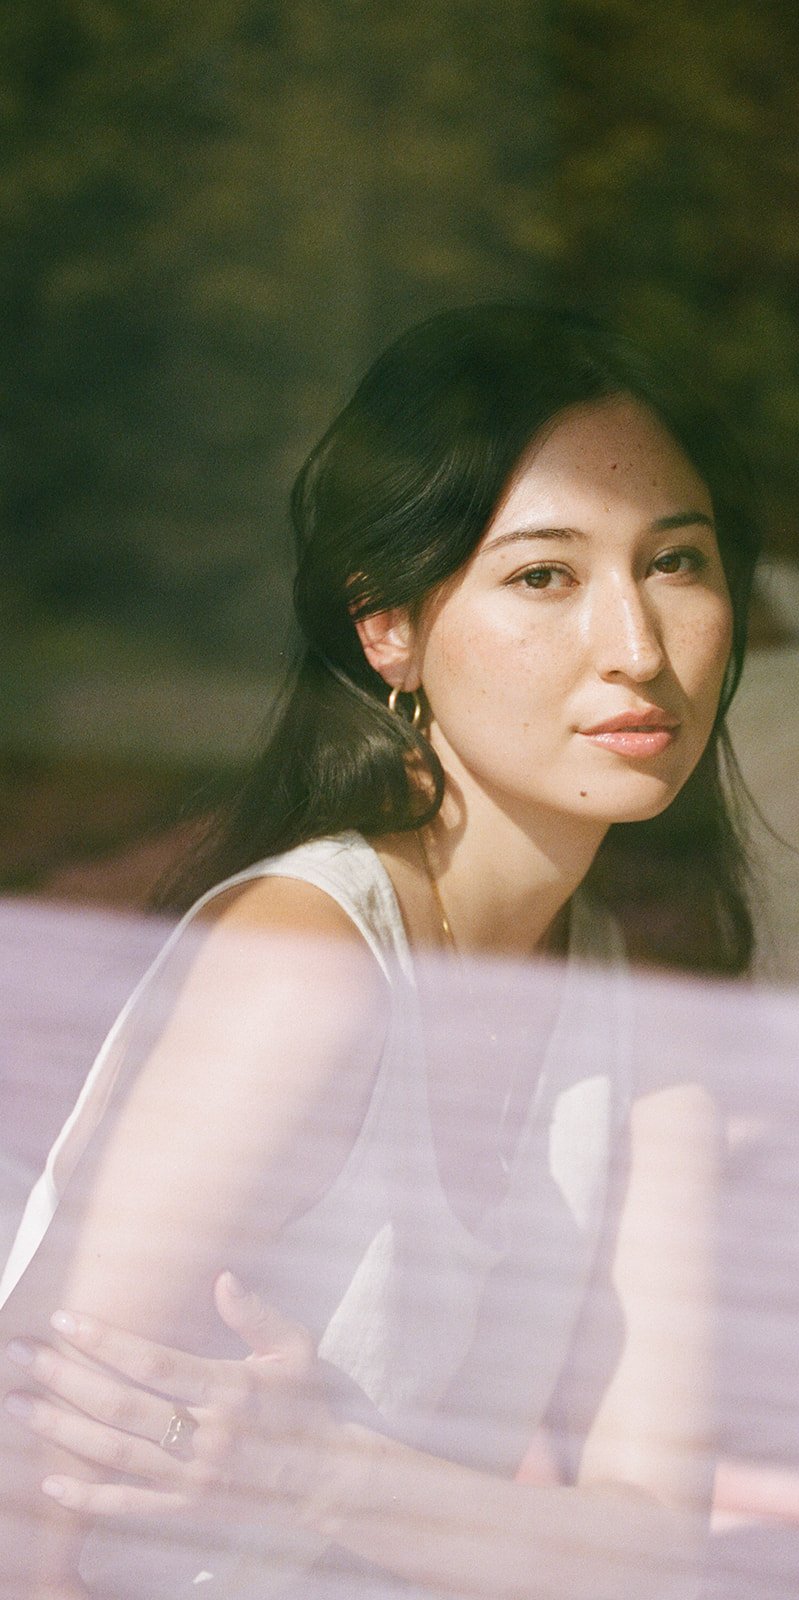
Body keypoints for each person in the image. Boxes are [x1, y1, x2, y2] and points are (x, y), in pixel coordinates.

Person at [0, 303, 759, 1598]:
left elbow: (648, 1549)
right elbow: (23, 1484)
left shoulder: (643, 1014)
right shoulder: (304, 964)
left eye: (674, 563)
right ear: (386, 629)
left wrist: (325, 1473)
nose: (635, 649)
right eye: (543, 575)